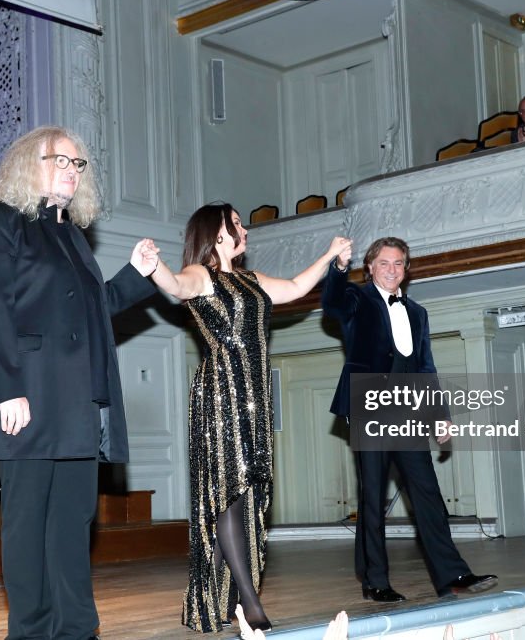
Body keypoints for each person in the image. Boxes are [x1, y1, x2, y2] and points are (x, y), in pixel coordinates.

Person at [0, 125, 159, 640]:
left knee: (73, 522)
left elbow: (95, 309)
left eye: (78, 165)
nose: (72, 172)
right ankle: (30, 631)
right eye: (61, 161)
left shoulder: (71, 235)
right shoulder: (1, 222)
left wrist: (134, 275)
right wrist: (7, 388)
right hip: (28, 395)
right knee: (28, 523)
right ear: (30, 163)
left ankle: (77, 628)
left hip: (79, 400)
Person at [147, 202, 352, 633]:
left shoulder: (252, 280)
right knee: (230, 494)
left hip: (254, 399)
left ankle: (216, 600)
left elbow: (297, 286)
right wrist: (154, 268)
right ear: (216, 233)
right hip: (220, 396)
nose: (244, 228)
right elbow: (177, 286)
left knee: (248, 497)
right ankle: (249, 602)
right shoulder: (203, 276)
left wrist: (329, 255)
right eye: (236, 223)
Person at [321, 237, 497, 602]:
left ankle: (453, 573)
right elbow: (332, 302)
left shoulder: (416, 312)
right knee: (374, 495)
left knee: (427, 491)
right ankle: (375, 581)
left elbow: (424, 367)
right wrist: (338, 267)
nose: (392, 269)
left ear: (407, 269)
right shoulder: (358, 298)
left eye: (399, 263)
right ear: (369, 267)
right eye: (384, 263)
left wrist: (440, 414)